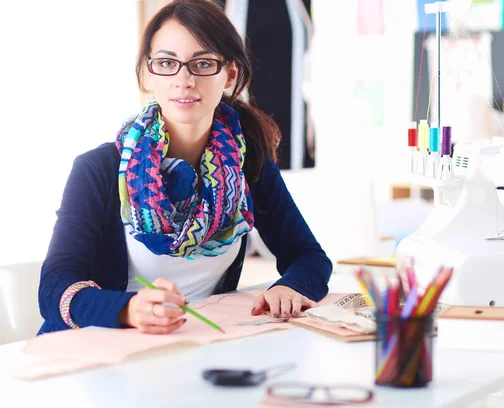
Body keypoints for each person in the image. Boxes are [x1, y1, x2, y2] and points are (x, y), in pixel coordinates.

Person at [37, 0, 332, 336]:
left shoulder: (247, 161)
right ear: (150, 73)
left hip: (193, 348)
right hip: (95, 352)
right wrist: (128, 308)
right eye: (167, 63)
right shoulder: (99, 168)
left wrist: (290, 287)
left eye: (202, 63)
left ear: (230, 74)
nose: (184, 79)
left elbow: (309, 256)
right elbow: (53, 290)